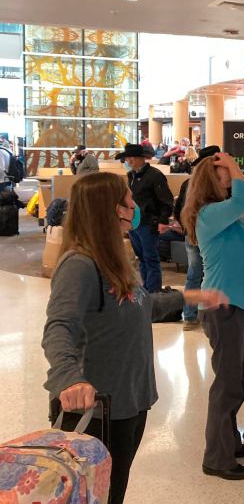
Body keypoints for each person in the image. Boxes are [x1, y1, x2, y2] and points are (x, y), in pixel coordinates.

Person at [41, 172, 227, 504]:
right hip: (94, 410)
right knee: (98, 496)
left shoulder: (114, 259)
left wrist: (189, 297)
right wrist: (69, 378)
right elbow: (58, 326)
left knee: (113, 490)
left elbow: (140, 305)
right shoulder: (80, 265)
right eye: (127, 200)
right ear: (106, 209)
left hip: (128, 401)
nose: (134, 205)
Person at [181, 152, 244, 481]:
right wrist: (232, 162)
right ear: (209, 181)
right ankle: (216, 457)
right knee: (228, 384)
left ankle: (229, 441)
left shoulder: (230, 215)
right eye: (223, 175)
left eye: (228, 173)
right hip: (224, 308)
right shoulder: (208, 214)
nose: (229, 179)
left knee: (239, 381)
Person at [172, 145, 219, 330]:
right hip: (211, 238)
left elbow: (178, 211)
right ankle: (209, 314)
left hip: (191, 236)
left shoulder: (188, 184)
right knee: (211, 274)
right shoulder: (219, 189)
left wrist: (187, 228)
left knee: (194, 274)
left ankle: (190, 316)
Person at [116, 143, 173, 293]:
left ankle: (153, 292)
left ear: (141, 158)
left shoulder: (155, 175)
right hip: (135, 223)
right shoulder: (131, 176)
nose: (129, 161)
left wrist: (163, 220)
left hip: (148, 222)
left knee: (150, 258)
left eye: (131, 158)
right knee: (141, 258)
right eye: (128, 158)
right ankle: (147, 289)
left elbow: (165, 200)